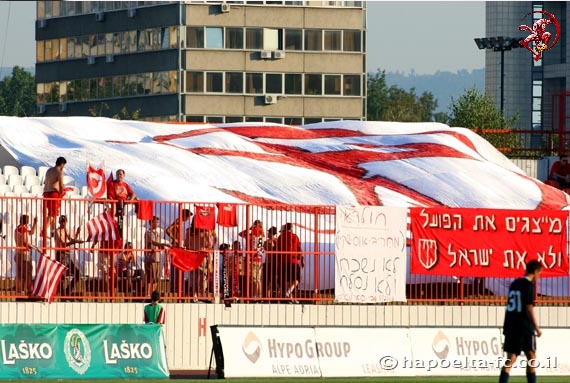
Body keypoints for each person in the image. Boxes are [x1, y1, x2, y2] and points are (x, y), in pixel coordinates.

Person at [499, 259, 543, 383]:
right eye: (539, 273)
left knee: (511, 358)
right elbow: (528, 307)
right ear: (535, 271)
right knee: (531, 356)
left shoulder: (515, 283)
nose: (539, 276)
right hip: (524, 326)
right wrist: (537, 328)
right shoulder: (528, 285)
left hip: (511, 325)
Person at [54, 214, 83, 296]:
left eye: (64, 221)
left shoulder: (66, 230)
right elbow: (63, 243)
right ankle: (63, 293)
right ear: (59, 222)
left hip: (67, 255)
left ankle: (67, 291)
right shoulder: (57, 231)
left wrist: (77, 233)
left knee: (77, 273)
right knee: (61, 275)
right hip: (60, 254)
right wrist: (73, 242)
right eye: (62, 221)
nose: (63, 223)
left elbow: (71, 239)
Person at [165, 208, 193, 294]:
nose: (188, 219)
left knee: (179, 267)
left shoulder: (180, 222)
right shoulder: (177, 222)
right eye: (188, 217)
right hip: (176, 247)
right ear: (184, 216)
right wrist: (175, 239)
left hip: (179, 247)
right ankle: (174, 287)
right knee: (175, 267)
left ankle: (178, 287)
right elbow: (168, 230)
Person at [276, 223, 304, 303]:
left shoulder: (280, 237)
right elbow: (299, 249)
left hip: (283, 261)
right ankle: (289, 293)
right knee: (296, 279)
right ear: (291, 228)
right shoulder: (295, 236)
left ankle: (288, 297)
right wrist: (302, 258)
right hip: (293, 261)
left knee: (285, 280)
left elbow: (277, 249)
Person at [239, 220, 265, 300]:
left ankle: (255, 295)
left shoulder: (251, 235)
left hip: (253, 258)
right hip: (259, 258)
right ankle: (259, 295)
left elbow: (240, 234)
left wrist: (249, 228)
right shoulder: (262, 235)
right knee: (258, 279)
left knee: (254, 279)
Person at [144, 216, 170, 296]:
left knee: (156, 278)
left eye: (157, 222)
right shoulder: (148, 232)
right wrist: (163, 244)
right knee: (150, 277)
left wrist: (163, 247)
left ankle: (153, 294)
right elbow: (153, 242)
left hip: (157, 258)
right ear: (151, 223)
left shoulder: (157, 233)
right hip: (151, 258)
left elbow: (157, 245)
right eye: (155, 222)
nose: (157, 224)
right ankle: (148, 293)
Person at [14, 214, 38, 297]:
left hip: (18, 254)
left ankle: (19, 294)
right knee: (28, 274)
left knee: (20, 275)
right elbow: (25, 242)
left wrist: (35, 223)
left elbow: (31, 232)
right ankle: (30, 292)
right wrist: (35, 247)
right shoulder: (23, 229)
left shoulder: (18, 228)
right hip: (24, 254)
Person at [43, 156, 66, 237]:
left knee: (52, 213)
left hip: (46, 193)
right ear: (62, 164)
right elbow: (60, 185)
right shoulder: (59, 172)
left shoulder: (48, 170)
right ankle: (44, 231)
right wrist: (63, 191)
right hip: (53, 194)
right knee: (52, 214)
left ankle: (52, 233)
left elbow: (45, 182)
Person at [263, 226, 279, 299]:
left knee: (271, 280)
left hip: (272, 263)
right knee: (270, 280)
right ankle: (269, 297)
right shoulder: (276, 241)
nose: (268, 234)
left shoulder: (269, 242)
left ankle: (269, 297)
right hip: (272, 263)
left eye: (269, 232)